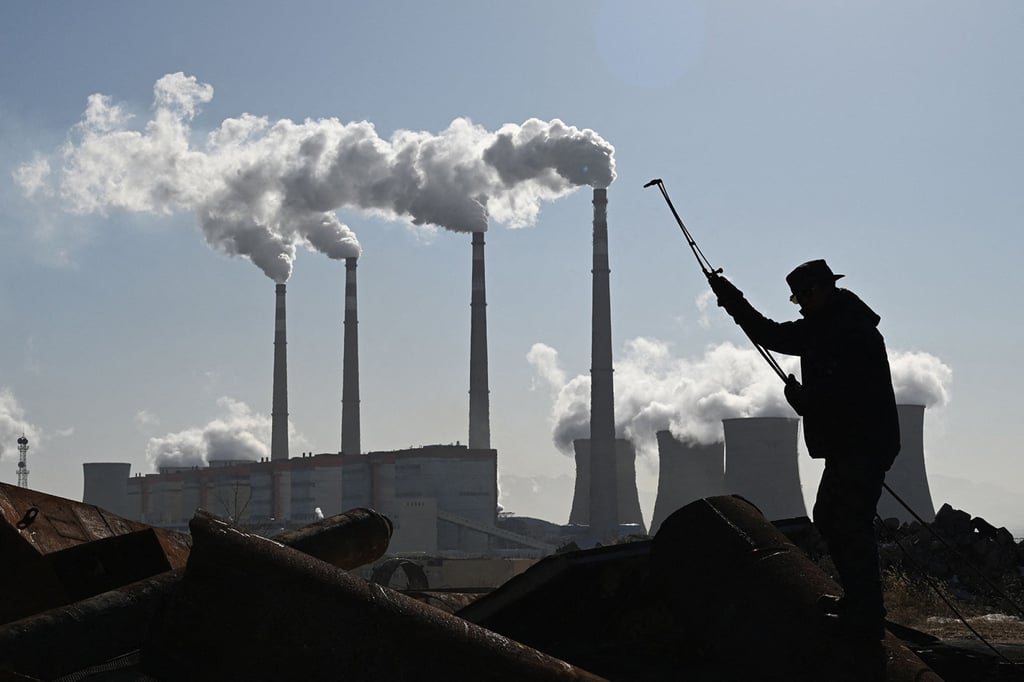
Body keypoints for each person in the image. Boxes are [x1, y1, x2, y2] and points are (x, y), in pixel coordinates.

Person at [708, 259, 900, 639]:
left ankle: (866, 612)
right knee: (832, 518)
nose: (801, 304)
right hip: (853, 444)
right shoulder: (828, 325)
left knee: (847, 522)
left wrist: (806, 402)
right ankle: (860, 603)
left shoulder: (846, 330)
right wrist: (730, 298)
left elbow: (845, 394)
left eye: (805, 295)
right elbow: (771, 334)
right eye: (796, 298)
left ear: (826, 288)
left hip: (861, 444)